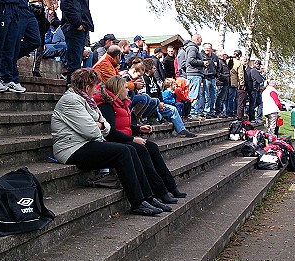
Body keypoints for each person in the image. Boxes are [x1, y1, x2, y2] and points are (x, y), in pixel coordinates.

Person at [51, 68, 167, 215]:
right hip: (70, 149)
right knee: (123, 151)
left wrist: (100, 125)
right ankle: (138, 202)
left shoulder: (86, 100)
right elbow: (91, 131)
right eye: (95, 86)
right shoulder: (70, 101)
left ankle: (147, 197)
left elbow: (105, 126)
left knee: (131, 149)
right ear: (88, 87)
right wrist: (99, 125)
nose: (96, 90)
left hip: (84, 143)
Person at [96, 76, 187, 203]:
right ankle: (159, 192)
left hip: (125, 138)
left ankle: (171, 186)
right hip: (116, 141)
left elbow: (124, 126)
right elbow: (111, 131)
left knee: (153, 147)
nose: (128, 91)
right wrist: (133, 139)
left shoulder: (122, 103)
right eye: (126, 88)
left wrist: (139, 129)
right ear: (118, 89)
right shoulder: (107, 106)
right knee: (141, 149)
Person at [142, 58, 196, 137]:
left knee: (173, 109)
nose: (155, 69)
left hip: (159, 104)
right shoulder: (144, 79)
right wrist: (158, 103)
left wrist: (161, 102)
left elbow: (159, 93)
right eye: (153, 68)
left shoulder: (153, 78)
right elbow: (146, 95)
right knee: (154, 103)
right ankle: (158, 119)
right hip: (151, 105)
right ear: (149, 68)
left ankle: (182, 130)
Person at [60, 0, 94, 84]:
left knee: (77, 61)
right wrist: (77, 23)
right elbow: (65, 3)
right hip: (74, 28)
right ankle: (72, 92)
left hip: (80, 27)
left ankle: (74, 91)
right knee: (74, 63)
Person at [25, 0, 54, 78]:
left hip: (26, 4)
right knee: (40, 37)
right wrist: (50, 5)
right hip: (37, 5)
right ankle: (36, 68)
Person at [182, 34, 205, 118]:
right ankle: (193, 113)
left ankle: (194, 112)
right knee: (194, 94)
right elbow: (191, 60)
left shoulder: (191, 48)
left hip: (195, 73)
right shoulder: (192, 48)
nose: (201, 41)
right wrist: (202, 63)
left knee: (196, 94)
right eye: (200, 39)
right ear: (196, 39)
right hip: (194, 73)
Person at [201, 43, 219, 118]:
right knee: (206, 96)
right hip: (205, 77)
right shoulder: (201, 55)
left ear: (211, 49)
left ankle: (211, 111)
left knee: (213, 96)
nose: (207, 50)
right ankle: (206, 111)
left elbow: (218, 66)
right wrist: (202, 79)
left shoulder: (215, 56)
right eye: (205, 48)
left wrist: (216, 76)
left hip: (213, 78)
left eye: (208, 48)